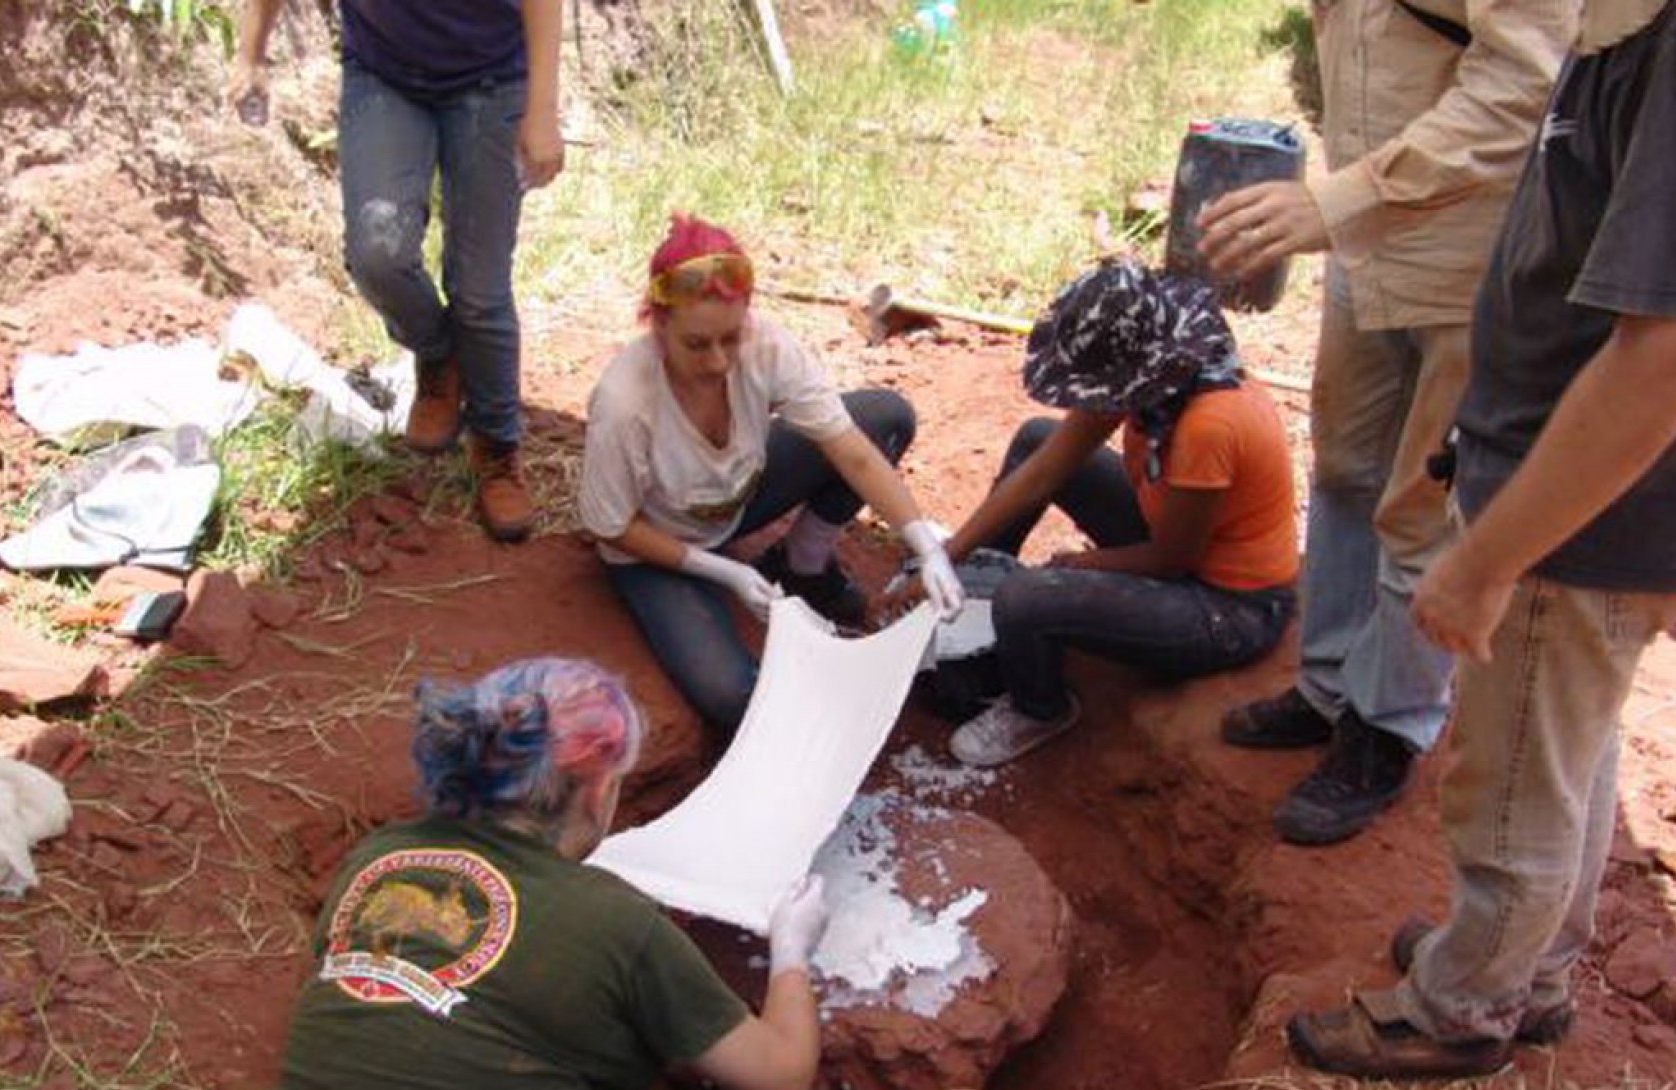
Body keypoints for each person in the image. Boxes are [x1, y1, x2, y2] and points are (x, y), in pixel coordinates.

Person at [1285, 0, 1676, 1078]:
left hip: (1596, 511)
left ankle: (1461, 1007)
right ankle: (1532, 962)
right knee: (1564, 744)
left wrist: (1485, 557)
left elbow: (1672, 350)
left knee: (1507, 771)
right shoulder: (1666, 33)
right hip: (1586, 489)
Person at [253, 657, 992, 1090]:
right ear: (600, 791)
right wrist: (791, 949)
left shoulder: (373, 860)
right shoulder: (611, 921)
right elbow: (783, 1080)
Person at [1197, 0, 1576, 845]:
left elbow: (1523, 82)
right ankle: (1328, 683)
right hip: (1364, 237)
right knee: (1345, 469)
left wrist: (1341, 200)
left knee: (1421, 501)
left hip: (1468, 250)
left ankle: (1389, 725)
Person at [577, 215, 964, 732]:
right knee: (733, 697)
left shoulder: (766, 348)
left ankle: (802, 565)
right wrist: (726, 572)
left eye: (730, 338)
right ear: (659, 324)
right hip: (655, 544)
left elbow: (853, 452)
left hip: (734, 499)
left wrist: (928, 549)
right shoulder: (625, 403)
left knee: (883, 419)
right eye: (696, 344)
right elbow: (612, 526)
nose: (718, 361)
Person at [923, 261, 1300, 768]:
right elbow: (1043, 471)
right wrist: (945, 557)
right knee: (1036, 439)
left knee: (1025, 597)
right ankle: (974, 595)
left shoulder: (1208, 426)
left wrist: (1080, 566)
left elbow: (1172, 560)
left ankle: (1040, 706)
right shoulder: (1158, 375)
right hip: (1174, 529)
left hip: (1228, 606)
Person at [230, 0, 564, 542]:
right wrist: (250, 55)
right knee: (376, 253)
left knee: (480, 290)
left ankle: (497, 448)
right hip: (384, 76)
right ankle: (438, 354)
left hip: (493, 76)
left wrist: (542, 108)